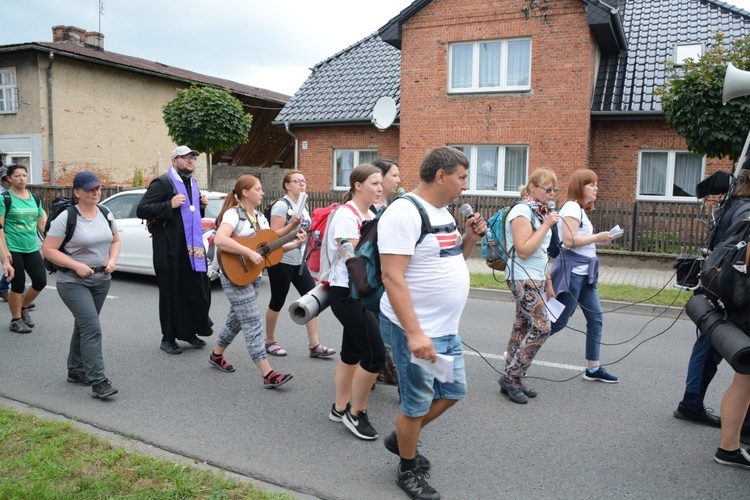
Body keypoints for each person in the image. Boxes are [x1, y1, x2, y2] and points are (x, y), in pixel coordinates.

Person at [379, 146, 485, 500]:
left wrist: (468, 238)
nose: (465, 186)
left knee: (453, 391)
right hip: (418, 331)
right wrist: (413, 334)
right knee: (416, 402)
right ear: (441, 176)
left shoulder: (442, 212)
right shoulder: (404, 213)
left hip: (444, 331)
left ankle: (401, 437)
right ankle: (407, 469)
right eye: (461, 177)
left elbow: (452, 258)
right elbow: (392, 276)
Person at [674, 163, 750, 444]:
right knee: (723, 355)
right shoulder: (744, 210)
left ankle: (691, 403)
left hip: (717, 285)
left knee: (709, 347)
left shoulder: (730, 207)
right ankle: (697, 407)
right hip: (731, 289)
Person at [209, 174, 303, 389]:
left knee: (236, 320)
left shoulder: (259, 217)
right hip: (234, 275)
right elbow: (221, 239)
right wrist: (249, 254)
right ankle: (267, 373)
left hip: (252, 275)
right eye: (258, 189)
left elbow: (269, 244)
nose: (262, 193)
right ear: (245, 192)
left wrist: (294, 239)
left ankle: (216, 355)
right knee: (252, 321)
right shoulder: (233, 214)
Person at [42, 172, 121, 399]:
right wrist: (76, 265)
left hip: (101, 280)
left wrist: (112, 260)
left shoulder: (106, 213)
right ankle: (98, 382)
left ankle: (75, 370)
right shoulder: (66, 218)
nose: (95, 192)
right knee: (92, 328)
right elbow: (48, 250)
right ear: (77, 192)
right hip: (73, 282)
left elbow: (115, 241)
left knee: (84, 326)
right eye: (89, 189)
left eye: (97, 188)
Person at [326, 163, 386, 440]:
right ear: (357, 185)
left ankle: (339, 409)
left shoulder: (370, 212)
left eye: (380, 182)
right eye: (374, 183)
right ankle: (355, 413)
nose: (380, 187)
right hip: (347, 293)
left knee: (351, 354)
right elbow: (355, 258)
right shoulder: (345, 216)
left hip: (361, 292)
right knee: (374, 354)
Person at [136, 146, 213, 354]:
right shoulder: (163, 183)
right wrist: (168, 204)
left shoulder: (192, 183)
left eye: (193, 158)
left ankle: (189, 332)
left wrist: (201, 204)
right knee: (171, 293)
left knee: (193, 290)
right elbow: (141, 209)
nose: (191, 161)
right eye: (186, 157)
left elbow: (189, 214)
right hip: (169, 249)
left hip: (191, 250)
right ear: (174, 161)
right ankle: (167, 338)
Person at [548, 169, 619, 383]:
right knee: (558, 322)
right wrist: (596, 236)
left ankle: (593, 368)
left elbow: (580, 239)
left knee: (596, 318)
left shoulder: (579, 209)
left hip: (586, 273)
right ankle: (520, 351)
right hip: (573, 273)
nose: (596, 188)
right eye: (592, 184)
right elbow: (568, 241)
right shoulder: (571, 207)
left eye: (596, 184)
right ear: (581, 187)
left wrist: (598, 239)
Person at [499, 168, 560, 404]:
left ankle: (511, 377)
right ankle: (512, 377)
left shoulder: (539, 212)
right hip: (521, 276)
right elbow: (524, 250)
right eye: (547, 189)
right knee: (542, 327)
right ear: (532, 188)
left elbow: (541, 252)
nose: (552, 194)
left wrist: (549, 282)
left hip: (535, 277)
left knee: (522, 326)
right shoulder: (522, 211)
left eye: (555, 190)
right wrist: (546, 226)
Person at [263, 170, 336, 359]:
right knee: (277, 300)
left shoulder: (302, 204)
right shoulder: (282, 205)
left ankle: (314, 344)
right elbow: (274, 236)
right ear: (287, 185)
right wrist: (294, 233)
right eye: (297, 181)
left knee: (312, 300)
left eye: (304, 180)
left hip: (299, 260)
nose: (302, 184)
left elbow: (304, 230)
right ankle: (270, 341)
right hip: (281, 259)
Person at [0, 164, 47, 334]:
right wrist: (5, 254)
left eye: (24, 175)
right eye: (17, 175)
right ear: (9, 179)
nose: (21, 178)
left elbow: (42, 223)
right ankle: (16, 319)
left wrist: (51, 242)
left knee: (40, 281)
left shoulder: (34, 198)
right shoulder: (4, 198)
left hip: (31, 247)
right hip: (13, 248)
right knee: (18, 284)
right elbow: (0, 227)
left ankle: (23, 307)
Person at [372, 157, 401, 387]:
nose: (399, 180)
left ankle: (372, 372)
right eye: (394, 175)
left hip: (385, 280)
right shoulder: (368, 210)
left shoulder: (391, 208)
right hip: (370, 283)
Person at [0, 166, 12, 302]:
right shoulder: (1, 195)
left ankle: (3, 288)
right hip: (3, 235)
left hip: (11, 234)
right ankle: (21, 295)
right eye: (6, 179)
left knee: (11, 263)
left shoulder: (14, 193)